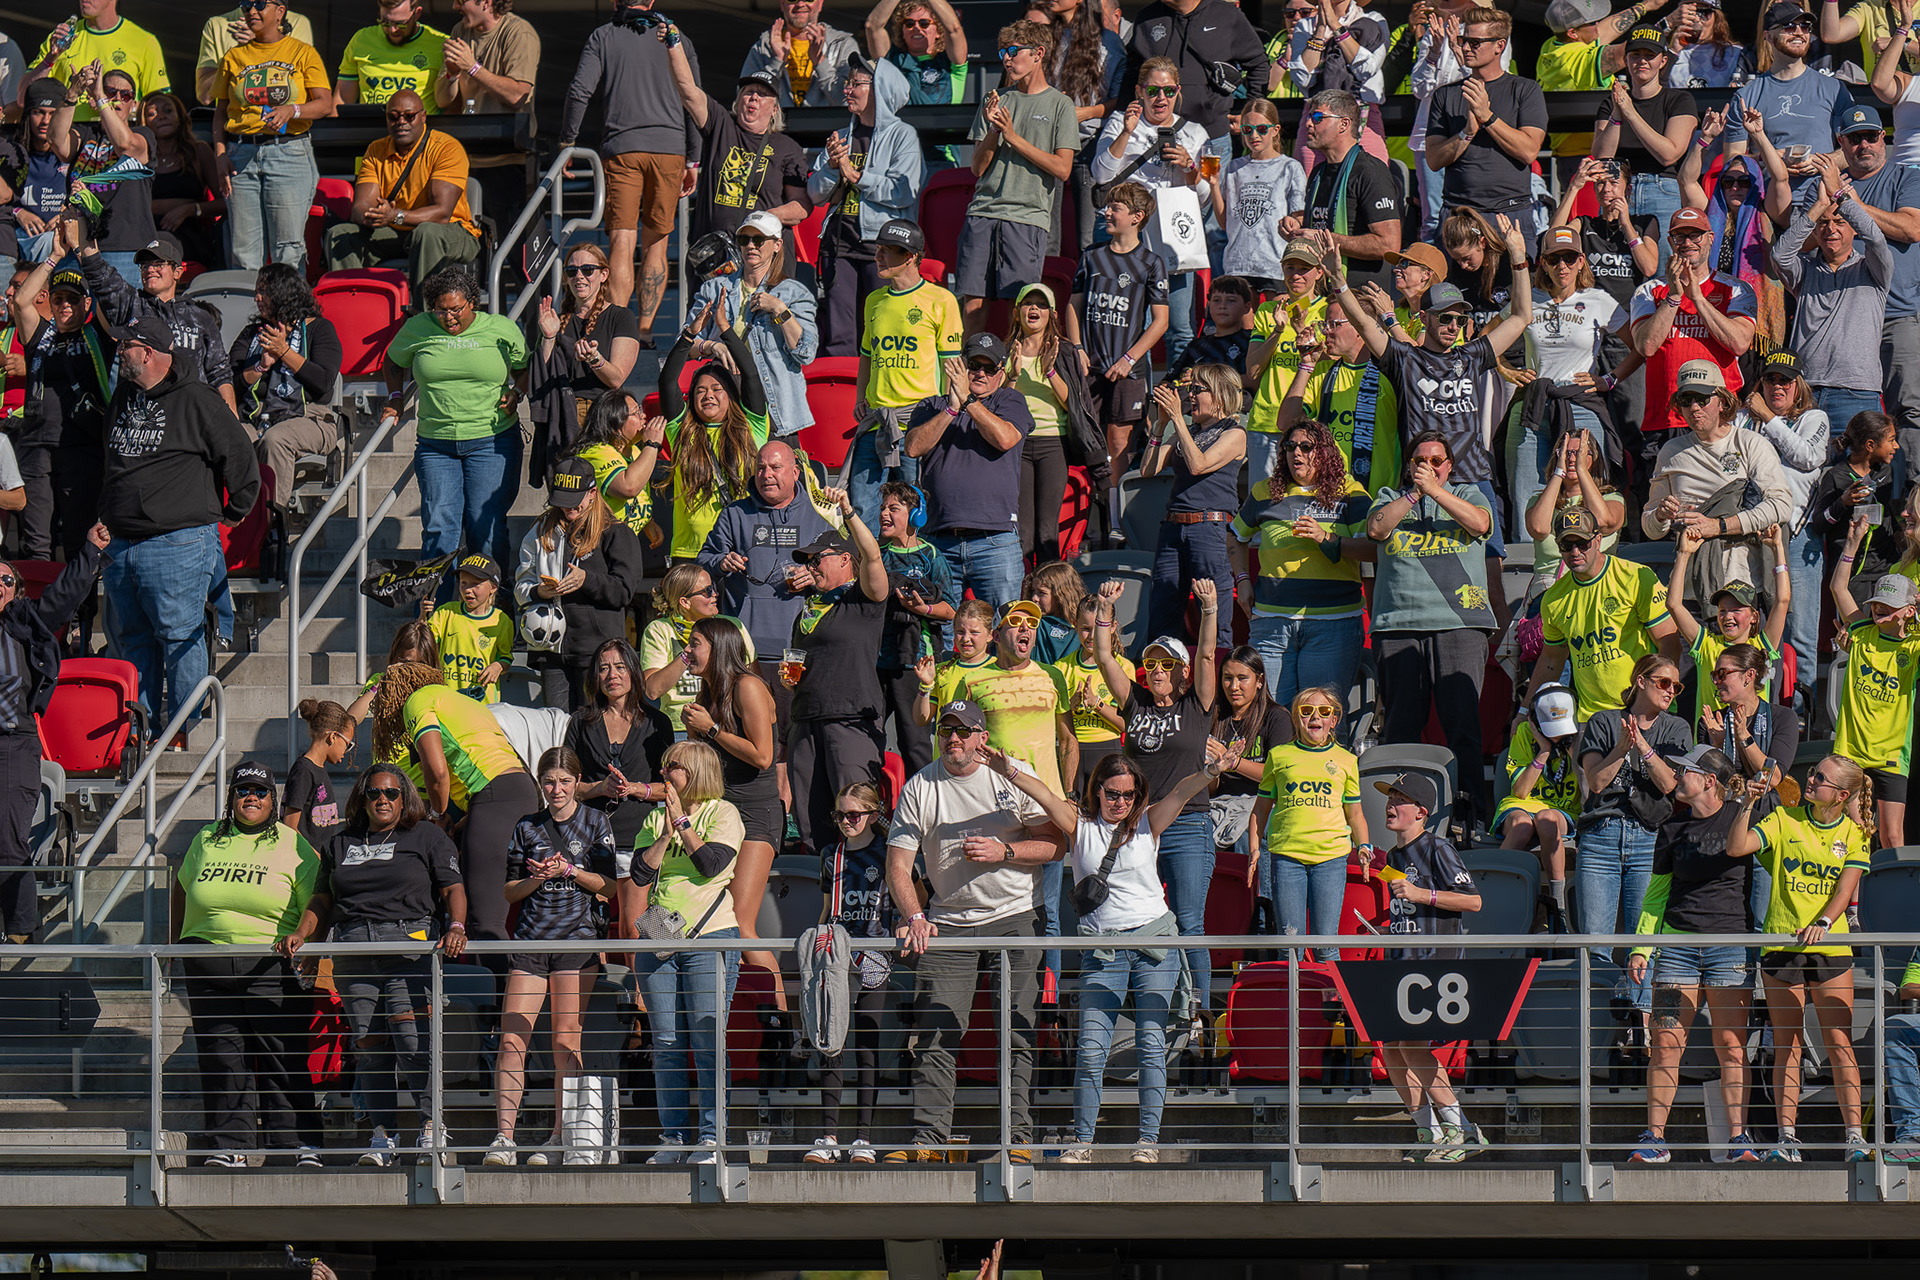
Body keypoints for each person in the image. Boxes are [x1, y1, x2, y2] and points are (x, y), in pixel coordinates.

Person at [991, 740, 1237, 1164]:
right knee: (1090, 1047)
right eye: (1112, 793)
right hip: (1103, 950)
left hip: (1153, 943)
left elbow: (1180, 791)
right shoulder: (1079, 824)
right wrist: (1007, 769)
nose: (1120, 801)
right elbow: (1046, 794)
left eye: (1128, 794)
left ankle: (1148, 1142)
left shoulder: (1147, 821)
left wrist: (1212, 772)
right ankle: (1082, 1142)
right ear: (1097, 790)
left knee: (1150, 1042)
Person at [883, 698, 1066, 1163]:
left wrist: (1005, 852)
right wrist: (914, 917)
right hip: (948, 921)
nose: (954, 739)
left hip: (1016, 915)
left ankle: (1018, 1140)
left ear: (983, 737)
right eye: (947, 730)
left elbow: (1057, 843)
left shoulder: (1011, 774)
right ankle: (928, 1141)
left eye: (964, 731)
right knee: (936, 1032)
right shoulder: (922, 786)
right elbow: (898, 866)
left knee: (1017, 1029)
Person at [280, 764, 468, 1168]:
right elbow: (322, 900)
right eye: (374, 793)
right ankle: (383, 1134)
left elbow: (453, 887)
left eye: (392, 793)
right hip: (353, 947)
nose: (383, 800)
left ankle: (431, 1128)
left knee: (413, 1042)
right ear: (362, 797)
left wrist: (455, 925)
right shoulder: (339, 841)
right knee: (368, 1046)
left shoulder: (427, 836)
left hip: (410, 946)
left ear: (405, 797)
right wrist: (304, 935)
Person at [99, 314, 256, 728]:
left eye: (125, 345)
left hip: (178, 543)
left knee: (180, 641)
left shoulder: (198, 399)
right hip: (120, 544)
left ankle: (186, 737)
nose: (119, 350)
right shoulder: (123, 396)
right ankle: (141, 738)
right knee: (131, 643)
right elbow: (111, 461)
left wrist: (234, 513)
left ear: (148, 352)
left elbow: (240, 456)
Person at [1724, 753, 1874, 1163]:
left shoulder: (1855, 833)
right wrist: (1749, 802)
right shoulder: (1784, 819)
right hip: (1783, 947)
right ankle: (1786, 1138)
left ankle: (1855, 1138)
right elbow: (1736, 846)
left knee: (1838, 1041)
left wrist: (1824, 922)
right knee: (1786, 1045)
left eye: (1820, 777)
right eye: (1812, 772)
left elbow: (1844, 892)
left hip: (1829, 947)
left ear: (1841, 794)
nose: (1810, 779)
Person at [171, 761, 321, 1168]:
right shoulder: (207, 838)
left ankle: (294, 1144)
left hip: (271, 960)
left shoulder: (293, 843)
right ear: (231, 798)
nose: (250, 797)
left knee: (281, 1053)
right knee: (222, 1055)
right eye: (242, 791)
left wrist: (311, 945)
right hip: (207, 961)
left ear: (273, 800)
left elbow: (318, 900)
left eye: (259, 791)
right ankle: (230, 1142)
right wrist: (177, 944)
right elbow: (183, 887)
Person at [1335, 224, 1532, 533]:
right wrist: (1338, 282)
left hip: (1472, 477)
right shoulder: (1404, 359)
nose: (1453, 326)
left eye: (1459, 319)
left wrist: (1518, 258)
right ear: (1425, 317)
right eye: (1444, 317)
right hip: (1423, 479)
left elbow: (1521, 316)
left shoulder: (1471, 356)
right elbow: (1361, 322)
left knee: (1491, 566)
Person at [1624, 745, 1761, 1164]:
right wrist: (1642, 947)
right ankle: (1654, 1138)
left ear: (1708, 780)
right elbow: (1656, 896)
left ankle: (1739, 1139)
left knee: (1731, 1046)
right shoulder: (1671, 828)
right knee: (1665, 1043)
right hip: (1676, 951)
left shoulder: (1742, 815)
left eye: (1684, 771)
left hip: (1729, 947)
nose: (1676, 776)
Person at [483, 747, 615, 1167]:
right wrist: (535, 878)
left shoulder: (596, 821)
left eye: (563, 781)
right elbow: (509, 890)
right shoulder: (526, 825)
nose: (556, 789)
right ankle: (504, 1138)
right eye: (549, 781)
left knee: (563, 1042)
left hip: (576, 943)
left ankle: (561, 1136)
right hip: (531, 941)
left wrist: (570, 871)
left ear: (577, 782)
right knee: (511, 1039)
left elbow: (610, 887)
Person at [1090, 579, 1220, 1005]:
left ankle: (1198, 1013)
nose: (1160, 671)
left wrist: (1210, 608)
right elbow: (1105, 656)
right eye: (1153, 664)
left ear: (1182, 671)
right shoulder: (1136, 703)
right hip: (1139, 827)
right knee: (1139, 918)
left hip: (1187, 824)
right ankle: (1152, 1002)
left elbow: (1205, 653)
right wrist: (1107, 610)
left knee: (1189, 920)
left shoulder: (1197, 705)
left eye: (1168, 665)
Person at [1366, 432, 1498, 832]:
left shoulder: (1469, 493)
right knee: (1401, 727)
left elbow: (1481, 523)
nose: (1429, 465)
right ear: (1409, 465)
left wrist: (1435, 492)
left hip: (1459, 624)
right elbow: (1375, 529)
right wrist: (1412, 496)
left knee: (1463, 725)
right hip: (1399, 624)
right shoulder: (1390, 495)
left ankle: (1471, 814)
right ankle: (1394, 819)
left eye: (1437, 460)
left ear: (1449, 465)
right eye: (1420, 459)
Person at [629, 739, 744, 1165]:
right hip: (661, 936)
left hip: (710, 936)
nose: (664, 773)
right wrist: (663, 834)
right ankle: (673, 1136)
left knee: (707, 1038)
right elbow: (640, 872)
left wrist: (683, 823)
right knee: (666, 1041)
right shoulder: (656, 816)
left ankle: (712, 1138)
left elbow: (712, 864)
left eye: (672, 766)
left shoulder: (722, 812)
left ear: (695, 770)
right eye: (663, 766)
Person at [369, 660, 538, 945]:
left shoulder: (417, 701)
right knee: (513, 913)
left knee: (485, 920)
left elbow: (436, 772)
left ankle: (497, 988)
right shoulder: (456, 699)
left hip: (493, 796)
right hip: (521, 789)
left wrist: (438, 813)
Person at [381, 264, 528, 576]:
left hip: (492, 440)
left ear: (472, 302)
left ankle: (492, 609)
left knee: (485, 527)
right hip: (437, 446)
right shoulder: (419, 328)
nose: (449, 318)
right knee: (439, 527)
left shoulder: (499, 328)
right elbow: (393, 361)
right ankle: (437, 610)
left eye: (456, 309)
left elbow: (525, 367)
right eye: (440, 311)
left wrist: (517, 392)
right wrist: (395, 398)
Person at [558, 0, 700, 323]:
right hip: (670, 150)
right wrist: (694, 159)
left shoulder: (603, 36)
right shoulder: (676, 37)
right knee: (657, 243)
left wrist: (568, 141)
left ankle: (616, 329)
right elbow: (693, 96)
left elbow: (580, 91)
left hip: (622, 149)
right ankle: (647, 332)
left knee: (622, 238)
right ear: (651, 2)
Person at [0, 525, 105, 942]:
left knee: (8, 840)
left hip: (12, 743)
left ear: (16, 590)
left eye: (6, 579)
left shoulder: (22, 622)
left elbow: (62, 599)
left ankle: (23, 929)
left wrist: (91, 551)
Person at [1376, 771, 1486, 1163]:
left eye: (1399, 800)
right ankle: (1429, 1132)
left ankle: (1463, 1131)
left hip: (1435, 969)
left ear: (1421, 812)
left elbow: (1473, 902)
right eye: (1389, 798)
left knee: (1412, 1046)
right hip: (1402, 966)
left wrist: (1423, 893)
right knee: (1391, 1048)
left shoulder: (1437, 848)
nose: (1390, 805)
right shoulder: (1392, 857)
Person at [699, 439, 846, 723]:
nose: (766, 474)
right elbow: (702, 562)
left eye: (776, 467)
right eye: (761, 467)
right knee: (748, 736)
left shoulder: (820, 512)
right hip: (744, 655)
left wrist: (815, 578)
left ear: (795, 472)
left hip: (798, 652)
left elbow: (846, 572)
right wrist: (721, 562)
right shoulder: (735, 514)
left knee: (794, 740)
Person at [1576, 653, 1690, 1015]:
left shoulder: (1676, 728)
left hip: (1649, 838)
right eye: (1663, 682)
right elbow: (1596, 782)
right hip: (1601, 835)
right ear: (1640, 681)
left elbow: (1671, 784)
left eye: (1676, 685)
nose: (1671, 690)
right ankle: (1599, 1028)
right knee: (1597, 944)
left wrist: (1642, 746)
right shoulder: (1604, 722)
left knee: (1645, 943)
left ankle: (1638, 1028)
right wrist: (1621, 748)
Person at [1230, 416, 1372, 705]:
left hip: (1332, 623)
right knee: (1271, 716)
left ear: (1325, 452)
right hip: (1271, 623)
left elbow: (1373, 549)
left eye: (1306, 447)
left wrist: (1326, 538)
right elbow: (1235, 536)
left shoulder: (1351, 492)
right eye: (1289, 446)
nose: (1297, 453)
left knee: (1318, 717)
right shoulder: (1265, 491)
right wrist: (1242, 579)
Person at [684, 616, 784, 1014]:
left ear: (718, 647)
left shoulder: (748, 686)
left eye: (694, 645)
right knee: (706, 921)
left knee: (740, 924)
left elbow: (763, 756)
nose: (686, 652)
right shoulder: (707, 694)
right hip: (719, 813)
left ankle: (782, 1025)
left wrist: (710, 730)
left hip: (757, 813)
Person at [784, 492, 892, 853]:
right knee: (812, 824)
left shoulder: (863, 600)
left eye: (819, 559)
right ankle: (826, 897)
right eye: (808, 561)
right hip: (806, 722)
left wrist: (848, 511)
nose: (811, 566)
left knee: (858, 817)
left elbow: (874, 556)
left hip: (850, 722)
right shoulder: (808, 609)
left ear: (846, 559)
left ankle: (867, 893)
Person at [1089, 57, 1212, 367]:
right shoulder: (1121, 122)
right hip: (1131, 231)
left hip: (1174, 233)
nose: (1161, 99)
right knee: (1124, 320)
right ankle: (1129, 397)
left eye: (1169, 91)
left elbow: (1206, 198)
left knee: (1178, 327)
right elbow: (1101, 174)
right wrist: (1127, 133)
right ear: (1139, 92)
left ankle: (1177, 404)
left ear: (1178, 91)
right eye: (1153, 91)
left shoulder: (1195, 132)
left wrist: (1188, 167)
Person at [1065, 182, 1169, 543]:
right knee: (1089, 442)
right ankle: (1092, 517)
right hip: (1089, 367)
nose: (1107, 213)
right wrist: (1076, 347)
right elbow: (1073, 305)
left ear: (1137, 217)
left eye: (1116, 208)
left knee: (1119, 443)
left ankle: (1115, 522)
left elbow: (1161, 321)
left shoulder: (1152, 263)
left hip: (1128, 369)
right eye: (1107, 207)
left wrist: (1129, 358)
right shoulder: (1091, 255)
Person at [1644, 361, 1795, 609]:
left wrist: (1718, 526)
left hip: (1743, 588)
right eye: (1686, 399)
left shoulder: (1750, 443)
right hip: (1690, 588)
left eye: (1702, 399)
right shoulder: (1670, 452)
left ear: (1723, 401)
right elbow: (1651, 527)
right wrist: (1661, 515)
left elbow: (1781, 506)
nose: (1694, 407)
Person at [958, 23, 1078, 334]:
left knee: (1022, 310)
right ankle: (970, 377)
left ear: (1038, 54)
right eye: (1003, 52)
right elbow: (977, 168)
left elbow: (1063, 168)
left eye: (1014, 52)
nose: (1007, 60)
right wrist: (996, 132)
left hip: (1027, 218)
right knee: (972, 306)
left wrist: (1012, 136)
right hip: (983, 213)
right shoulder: (994, 99)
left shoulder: (1060, 104)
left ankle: (1016, 379)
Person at [905, 333, 1036, 612]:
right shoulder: (932, 405)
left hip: (995, 541)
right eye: (974, 365)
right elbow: (914, 447)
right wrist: (952, 410)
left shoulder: (1010, 400)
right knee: (940, 630)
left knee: (1004, 630)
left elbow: (1005, 438)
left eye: (988, 368)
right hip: (938, 540)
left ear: (1000, 373)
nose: (980, 373)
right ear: (962, 366)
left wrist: (967, 401)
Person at [845, 218, 961, 530]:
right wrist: (860, 397)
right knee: (861, 509)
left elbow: (951, 364)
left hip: (917, 424)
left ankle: (911, 573)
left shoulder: (941, 300)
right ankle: (868, 576)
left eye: (887, 250)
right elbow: (867, 356)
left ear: (910, 257)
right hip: (876, 422)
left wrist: (943, 416)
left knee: (913, 510)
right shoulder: (874, 301)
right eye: (878, 249)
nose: (877, 256)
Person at [806, 778, 897, 1165]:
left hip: (875, 953)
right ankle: (828, 1135)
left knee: (868, 1045)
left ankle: (863, 1137)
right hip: (838, 954)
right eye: (840, 815)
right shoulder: (831, 854)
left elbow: (915, 896)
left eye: (854, 815)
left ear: (873, 815)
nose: (846, 821)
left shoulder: (890, 851)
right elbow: (826, 908)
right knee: (832, 1041)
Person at [808, 57, 921, 359]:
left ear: (879, 89)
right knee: (839, 335)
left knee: (883, 329)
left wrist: (855, 174)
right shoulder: (841, 137)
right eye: (847, 83)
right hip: (838, 244)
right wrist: (833, 168)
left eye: (856, 84)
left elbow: (904, 191)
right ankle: (840, 401)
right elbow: (816, 194)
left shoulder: (902, 135)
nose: (848, 90)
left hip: (881, 246)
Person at [1775, 153, 1895, 435]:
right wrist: (1817, 207)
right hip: (1806, 391)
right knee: (1804, 476)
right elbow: (1780, 256)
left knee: (1856, 478)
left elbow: (1876, 238)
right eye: (1823, 224)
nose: (1831, 229)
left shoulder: (1873, 269)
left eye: (1840, 222)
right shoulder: (1804, 271)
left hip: (1858, 393)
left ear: (1853, 227)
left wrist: (1841, 196)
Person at [209, 0, 330, 277]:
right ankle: (248, 317)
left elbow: (324, 104)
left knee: (287, 249)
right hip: (240, 154)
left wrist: (292, 110)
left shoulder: (302, 52)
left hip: (288, 152)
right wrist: (220, 154)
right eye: (246, 4)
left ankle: (288, 317)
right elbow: (219, 114)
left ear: (280, 11)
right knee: (242, 251)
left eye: (260, 4)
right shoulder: (233, 57)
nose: (251, 10)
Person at [513, 457, 643, 711]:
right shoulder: (541, 530)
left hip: (596, 652)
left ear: (592, 493)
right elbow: (520, 584)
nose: (567, 509)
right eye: (561, 502)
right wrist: (538, 592)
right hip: (550, 648)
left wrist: (587, 580)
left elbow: (624, 591)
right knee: (558, 726)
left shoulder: (615, 532)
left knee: (594, 723)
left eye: (574, 502)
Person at [660, 34, 812, 248]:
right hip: (713, 255)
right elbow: (688, 91)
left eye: (762, 94)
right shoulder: (721, 125)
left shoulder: (787, 148)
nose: (754, 98)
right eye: (748, 92)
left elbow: (801, 206)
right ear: (739, 100)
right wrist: (673, 44)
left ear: (775, 110)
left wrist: (762, 219)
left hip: (759, 253)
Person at [1530, 507, 1679, 723]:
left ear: (1598, 540)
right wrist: (1525, 711)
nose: (1575, 552)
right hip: (1592, 719)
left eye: (1583, 543)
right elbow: (1551, 660)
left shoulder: (1636, 577)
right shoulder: (1553, 599)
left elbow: (1670, 644)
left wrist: (1660, 703)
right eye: (1566, 545)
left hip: (1643, 711)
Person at [1422, 7, 1548, 259]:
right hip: (1459, 215)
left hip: (1510, 214)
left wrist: (1487, 116)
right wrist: (1466, 132)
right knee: (1456, 295)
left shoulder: (1525, 89)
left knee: (1518, 293)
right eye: (1462, 40)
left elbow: (1528, 151)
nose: (1466, 47)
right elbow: (1434, 160)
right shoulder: (1445, 95)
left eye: (1475, 42)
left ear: (1499, 46)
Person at [1739, 350, 1830, 694]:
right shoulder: (1744, 419)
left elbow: (1807, 457)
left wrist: (1769, 419)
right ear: (1761, 383)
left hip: (1796, 537)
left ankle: (1801, 716)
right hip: (1748, 533)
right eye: (1770, 379)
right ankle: (1758, 703)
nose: (1777, 387)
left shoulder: (1814, 417)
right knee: (1755, 629)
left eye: (1785, 381)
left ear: (1798, 386)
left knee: (1800, 633)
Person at [1255, 687, 1369, 958]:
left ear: (1334, 719)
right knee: (1289, 947)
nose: (1315, 717)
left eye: (1323, 711)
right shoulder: (1279, 755)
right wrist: (1253, 849)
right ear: (1296, 718)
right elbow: (1260, 808)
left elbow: (1355, 814)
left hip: (1330, 859)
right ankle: (1295, 1001)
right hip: (1286, 858)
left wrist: (1364, 845)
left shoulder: (1347, 760)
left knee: (1326, 946)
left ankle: (1332, 1001)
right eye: (1306, 711)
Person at [70, 223, 233, 411]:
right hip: (142, 414)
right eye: (145, 265)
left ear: (177, 272)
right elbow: (98, 272)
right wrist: (83, 223)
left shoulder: (200, 317)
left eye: (158, 264)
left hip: (191, 412)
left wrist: (231, 417)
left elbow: (219, 371)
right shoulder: (131, 303)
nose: (150, 269)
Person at [325, 91, 482, 285]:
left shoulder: (447, 148)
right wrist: (375, 216)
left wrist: (395, 215)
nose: (401, 121)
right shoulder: (375, 150)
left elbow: (442, 213)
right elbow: (360, 206)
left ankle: (423, 313)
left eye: (409, 116)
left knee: (426, 233)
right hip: (397, 231)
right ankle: (355, 305)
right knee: (341, 234)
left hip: (452, 231)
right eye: (393, 116)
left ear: (423, 117)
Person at [9, 257, 108, 560]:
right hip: (35, 446)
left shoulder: (98, 336)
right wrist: (53, 257)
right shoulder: (40, 335)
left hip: (80, 447)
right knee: (36, 541)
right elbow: (23, 300)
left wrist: (82, 252)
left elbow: (110, 300)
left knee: (80, 537)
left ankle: (82, 608)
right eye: (59, 298)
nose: (65, 305)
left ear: (86, 303)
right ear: (50, 302)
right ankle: (37, 607)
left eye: (73, 299)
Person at [689, 210, 818, 440]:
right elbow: (685, 340)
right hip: (728, 405)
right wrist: (712, 346)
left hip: (775, 408)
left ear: (777, 245)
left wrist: (780, 309)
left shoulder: (793, 293)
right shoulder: (714, 288)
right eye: (744, 240)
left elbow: (805, 352)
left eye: (759, 240)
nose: (751, 246)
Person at [1140, 365, 1246, 640]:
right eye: (1190, 389)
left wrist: (1177, 418)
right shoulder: (1186, 431)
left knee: (1214, 615)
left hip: (1209, 530)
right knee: (1163, 614)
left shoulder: (1234, 434)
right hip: (1173, 528)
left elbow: (1199, 465)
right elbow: (1147, 470)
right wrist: (1162, 425)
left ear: (1220, 396)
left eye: (1198, 390)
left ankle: (1215, 676)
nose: (1190, 396)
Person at [1831, 528, 1920, 848]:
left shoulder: (1914, 647)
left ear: (1909, 611)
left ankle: (1897, 896)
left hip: (1893, 757)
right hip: (1850, 753)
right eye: (1877, 601)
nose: (1880, 607)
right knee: (1855, 833)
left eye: (1890, 603)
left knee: (1893, 835)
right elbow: (1838, 586)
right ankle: (1856, 899)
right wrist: (1851, 545)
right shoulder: (1860, 631)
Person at [659, 306, 770, 562]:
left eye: (717, 389)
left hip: (743, 550)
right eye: (700, 391)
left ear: (731, 396)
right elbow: (667, 381)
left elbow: (751, 373)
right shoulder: (681, 430)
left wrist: (725, 329)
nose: (708, 395)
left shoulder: (752, 427)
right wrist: (690, 335)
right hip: (690, 554)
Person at [231, 263, 341, 513]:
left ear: (283, 293)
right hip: (254, 418)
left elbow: (323, 383)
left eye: (264, 291)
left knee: (275, 440)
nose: (257, 297)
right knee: (228, 438)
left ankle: (271, 524)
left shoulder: (319, 329)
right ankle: (234, 518)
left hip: (310, 418)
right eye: (257, 291)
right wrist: (259, 366)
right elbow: (232, 383)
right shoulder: (251, 334)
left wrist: (284, 353)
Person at [1269, 288, 1401, 494]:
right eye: (1324, 324)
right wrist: (1306, 364)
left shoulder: (1391, 372)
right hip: (1332, 497)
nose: (1326, 331)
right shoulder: (1321, 370)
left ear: (1360, 325)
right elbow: (1285, 423)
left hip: (1381, 497)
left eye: (1333, 324)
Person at [529, 246, 642, 479]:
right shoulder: (557, 320)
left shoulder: (621, 317)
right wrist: (549, 337)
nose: (579, 276)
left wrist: (595, 359)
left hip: (603, 415)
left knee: (603, 491)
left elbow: (617, 378)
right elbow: (545, 373)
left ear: (604, 275)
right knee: (568, 489)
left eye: (587, 270)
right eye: (572, 271)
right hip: (564, 415)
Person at [566, 638, 676, 874]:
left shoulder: (657, 723)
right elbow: (566, 784)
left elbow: (672, 787)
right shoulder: (580, 722)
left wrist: (636, 788)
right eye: (603, 668)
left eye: (620, 667)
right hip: (589, 838)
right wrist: (599, 788)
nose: (611, 675)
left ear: (633, 671)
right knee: (594, 911)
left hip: (640, 839)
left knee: (634, 912)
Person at [1285, 88, 1404, 295]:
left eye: (1317, 117)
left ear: (1344, 124)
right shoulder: (1318, 172)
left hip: (1360, 300)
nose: (1308, 124)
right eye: (1309, 116)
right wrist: (1297, 226)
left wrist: (1322, 238)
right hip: (1323, 296)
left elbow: (1388, 245)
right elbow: (1323, 223)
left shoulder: (1370, 171)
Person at [1593, 28, 1700, 254]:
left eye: (1649, 55)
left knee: (1665, 269)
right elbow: (1603, 157)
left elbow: (1669, 154)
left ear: (1662, 61)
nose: (1642, 61)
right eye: (1635, 55)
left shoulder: (1679, 100)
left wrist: (1630, 112)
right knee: (1622, 265)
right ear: (1626, 60)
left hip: (1663, 188)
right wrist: (1617, 114)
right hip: (1620, 190)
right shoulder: (1611, 103)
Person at [1669, 530, 1792, 726]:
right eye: (1723, 610)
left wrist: (1777, 548)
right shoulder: (1706, 645)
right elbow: (1674, 605)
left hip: (1755, 745)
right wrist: (1683, 554)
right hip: (1711, 746)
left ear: (1754, 617)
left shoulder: (1762, 647)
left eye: (1736, 610)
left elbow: (1782, 600)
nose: (1727, 616)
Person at [52, 61, 157, 288]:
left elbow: (124, 145)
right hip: (78, 245)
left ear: (134, 105)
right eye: (111, 92)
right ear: (92, 101)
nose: (117, 98)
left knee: (122, 322)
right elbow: (57, 142)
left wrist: (101, 96)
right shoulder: (86, 133)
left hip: (124, 248)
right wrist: (72, 93)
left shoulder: (143, 135)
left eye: (125, 95)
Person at [1725, 2, 1855, 183]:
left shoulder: (1835, 89)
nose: (1799, 33)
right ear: (1768, 36)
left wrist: (1821, 162)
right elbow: (1732, 160)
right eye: (1789, 26)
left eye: (1805, 26)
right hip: (1768, 204)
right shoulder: (1746, 96)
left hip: (1824, 199)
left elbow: (1852, 150)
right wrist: (1770, 158)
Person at [1035, 0, 1126, 255]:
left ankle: (1087, 293)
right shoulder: (1043, 36)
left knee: (1090, 234)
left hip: (1089, 141)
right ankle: (1047, 292)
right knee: (1046, 234)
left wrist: (1087, 112)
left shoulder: (1108, 42)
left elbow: (1120, 99)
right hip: (1047, 141)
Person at [876, 479, 954, 774]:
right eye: (883, 507)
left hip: (914, 662)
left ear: (916, 515)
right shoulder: (876, 554)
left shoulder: (931, 556)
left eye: (893, 508)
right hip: (878, 660)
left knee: (915, 745)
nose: (885, 513)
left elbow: (952, 610)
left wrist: (925, 609)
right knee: (868, 739)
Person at [1121, 0, 1270, 145]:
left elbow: (1258, 64)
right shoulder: (1147, 17)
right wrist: (1123, 116)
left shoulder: (1227, 15)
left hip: (1211, 137)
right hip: (1155, 136)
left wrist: (1250, 111)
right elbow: (1132, 75)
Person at [1495, 682, 1582, 923]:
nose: (1557, 735)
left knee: (1547, 819)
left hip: (1562, 809)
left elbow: (1589, 788)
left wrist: (1571, 750)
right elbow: (1521, 791)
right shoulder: (1524, 734)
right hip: (1522, 805)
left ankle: (1558, 904)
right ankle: (1495, 891)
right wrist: (1543, 751)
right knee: (1522, 825)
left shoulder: (1578, 737)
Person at [1005, 283, 1079, 565]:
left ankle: (1050, 601)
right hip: (1018, 444)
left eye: (1042, 304)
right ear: (1017, 312)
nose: (1034, 308)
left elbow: (1072, 404)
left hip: (1053, 444)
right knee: (1022, 531)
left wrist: (1049, 370)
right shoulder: (1005, 351)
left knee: (1048, 530)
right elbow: (999, 404)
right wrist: (1011, 375)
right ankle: (1023, 599)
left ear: (1053, 314)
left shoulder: (1065, 351)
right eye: (1028, 303)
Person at [640, 562, 754, 737]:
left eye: (714, 588)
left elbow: (754, 678)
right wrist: (688, 654)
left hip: (727, 723)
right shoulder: (659, 630)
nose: (715, 594)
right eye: (707, 591)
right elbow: (652, 690)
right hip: (679, 727)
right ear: (685, 602)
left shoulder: (732, 626)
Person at [1216, 102, 1308, 295]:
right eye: (1247, 129)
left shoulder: (1290, 167)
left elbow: (1299, 216)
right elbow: (1225, 223)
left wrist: (1294, 222)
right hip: (1238, 264)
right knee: (1241, 325)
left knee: (1277, 323)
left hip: (1275, 263)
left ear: (1275, 130)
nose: (1254, 136)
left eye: (1261, 129)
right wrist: (1213, 185)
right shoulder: (1233, 168)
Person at [24, 3, 168, 119]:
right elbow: (23, 98)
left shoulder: (145, 41)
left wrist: (109, 104)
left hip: (120, 145)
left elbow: (161, 109)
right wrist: (50, 58)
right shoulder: (62, 39)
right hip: (67, 146)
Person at [1807, 410, 1901, 581]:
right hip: (1853, 573)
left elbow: (1887, 511)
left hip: (1886, 566)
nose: (1896, 446)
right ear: (1870, 445)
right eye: (1891, 440)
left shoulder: (1886, 471)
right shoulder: (1836, 477)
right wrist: (1843, 502)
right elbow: (1819, 524)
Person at [144, 91, 223, 271]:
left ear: (180, 117)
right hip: (146, 230)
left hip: (186, 232)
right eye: (152, 113)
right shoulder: (141, 158)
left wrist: (190, 209)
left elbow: (225, 202)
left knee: (161, 245)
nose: (161, 116)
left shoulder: (199, 152)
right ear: (144, 123)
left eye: (168, 111)